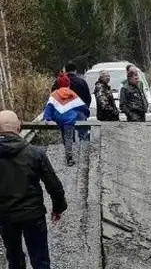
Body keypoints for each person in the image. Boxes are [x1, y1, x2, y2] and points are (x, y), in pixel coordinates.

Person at [0, 110, 67, 269]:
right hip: (33, 215)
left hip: (5, 216)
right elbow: (54, 185)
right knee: (40, 258)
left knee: (14, 257)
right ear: (18, 127)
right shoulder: (35, 153)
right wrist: (58, 208)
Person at [42, 74, 90, 167]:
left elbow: (49, 107)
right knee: (68, 137)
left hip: (58, 119)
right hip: (69, 120)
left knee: (65, 136)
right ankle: (69, 158)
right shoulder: (72, 93)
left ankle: (67, 152)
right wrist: (86, 113)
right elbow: (81, 106)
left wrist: (47, 118)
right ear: (68, 84)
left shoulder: (54, 94)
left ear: (58, 84)